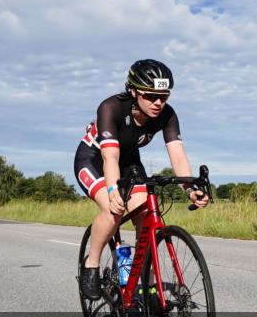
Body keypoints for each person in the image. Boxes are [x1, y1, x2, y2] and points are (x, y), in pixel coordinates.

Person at [74, 59, 208, 300]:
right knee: (114, 208)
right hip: (94, 159)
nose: (158, 103)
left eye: (164, 96)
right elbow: (110, 157)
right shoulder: (111, 107)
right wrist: (114, 190)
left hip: (129, 161)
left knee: (146, 214)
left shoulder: (166, 114)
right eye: (150, 96)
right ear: (133, 91)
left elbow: (177, 154)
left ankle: (145, 280)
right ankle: (91, 264)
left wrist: (190, 189)